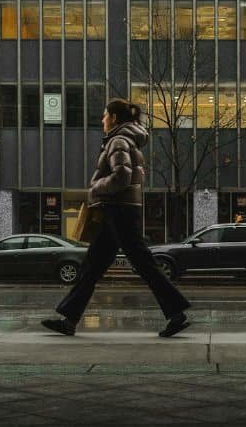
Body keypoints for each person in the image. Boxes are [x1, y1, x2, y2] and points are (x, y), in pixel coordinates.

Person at [42, 99, 191, 338]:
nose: (102, 120)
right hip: (119, 209)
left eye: (105, 115)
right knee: (93, 266)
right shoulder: (127, 139)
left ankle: (176, 312)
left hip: (119, 209)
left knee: (141, 262)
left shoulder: (119, 140)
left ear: (113, 117)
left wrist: (95, 187)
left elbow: (121, 176)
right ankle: (69, 320)